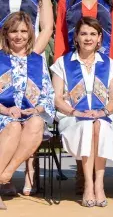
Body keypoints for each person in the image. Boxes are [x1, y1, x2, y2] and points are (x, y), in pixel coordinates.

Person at [0, 0, 54, 197]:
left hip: (30, 58)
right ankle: (7, 178)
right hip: (2, 57)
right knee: (11, 117)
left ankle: (9, 175)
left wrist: (31, 53)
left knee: (31, 113)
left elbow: (47, 26)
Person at [51, 17, 113, 207]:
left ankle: (99, 184)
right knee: (88, 126)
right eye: (83, 34)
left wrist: (103, 111)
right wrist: (75, 111)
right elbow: (57, 98)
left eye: (92, 34)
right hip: (72, 116)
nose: (88, 38)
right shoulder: (62, 63)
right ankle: (89, 185)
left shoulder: (109, 63)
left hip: (101, 115)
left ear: (99, 38)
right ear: (76, 37)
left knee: (98, 125)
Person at [0, 12, 55, 210]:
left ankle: (5, 175)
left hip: (28, 113)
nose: (19, 36)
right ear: (6, 34)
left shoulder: (37, 61)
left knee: (37, 122)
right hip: (3, 115)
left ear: (30, 34)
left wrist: (36, 108)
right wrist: (6, 110)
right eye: (14, 31)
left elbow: (48, 97)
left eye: (23, 31)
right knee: (14, 127)